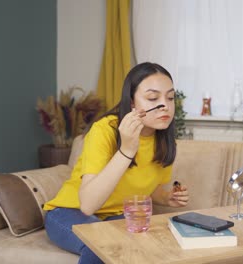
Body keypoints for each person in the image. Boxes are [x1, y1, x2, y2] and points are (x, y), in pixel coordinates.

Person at [43, 62, 189, 264]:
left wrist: (166, 197)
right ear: (131, 103)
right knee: (102, 246)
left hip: (117, 215)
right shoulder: (105, 130)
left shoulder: (165, 141)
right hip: (69, 211)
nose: (165, 105)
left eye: (170, 97)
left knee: (147, 245)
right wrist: (126, 151)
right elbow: (88, 206)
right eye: (153, 98)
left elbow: (148, 186)